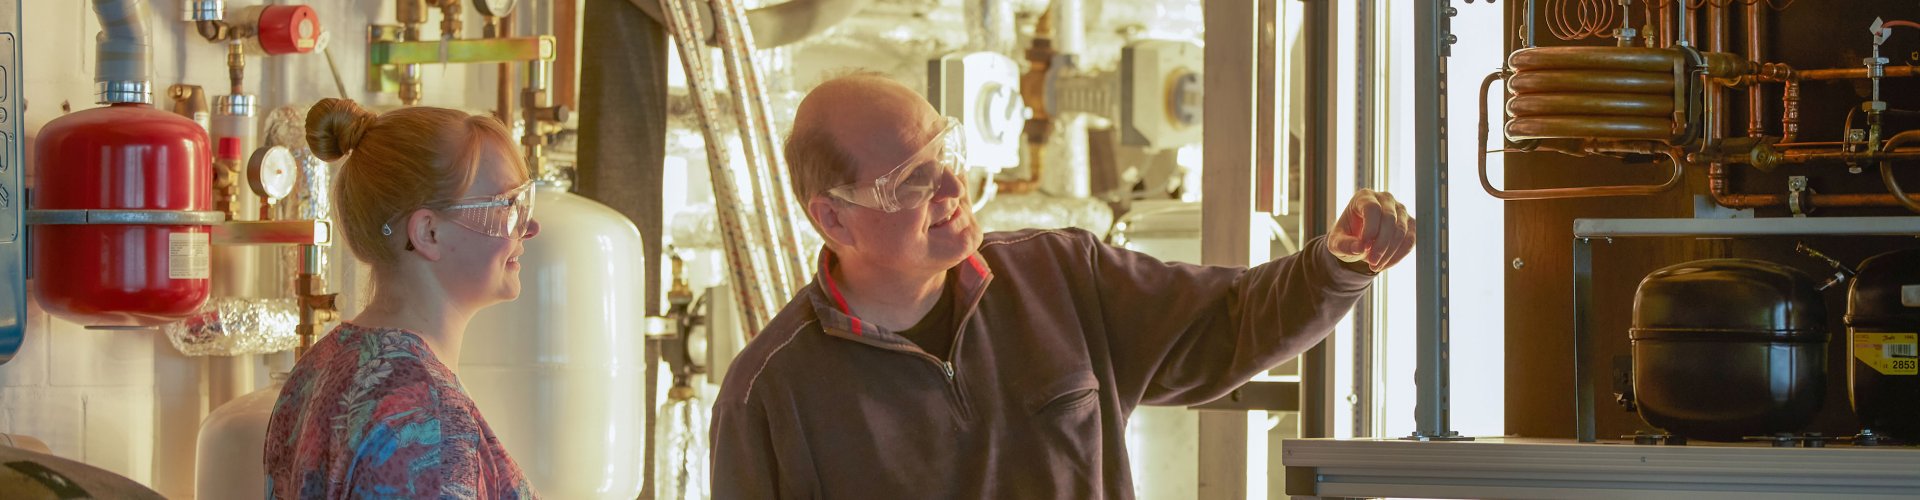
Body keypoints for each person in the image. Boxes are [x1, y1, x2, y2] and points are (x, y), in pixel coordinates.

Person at [710, 73, 1415, 498]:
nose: (954, 186)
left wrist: (1336, 264)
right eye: (913, 179)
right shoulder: (769, 396)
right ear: (835, 218)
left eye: (946, 153)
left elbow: (1230, 323)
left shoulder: (1060, 277)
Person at [265, 99, 542, 499]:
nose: (530, 226)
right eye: (507, 206)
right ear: (428, 232)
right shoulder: (429, 423)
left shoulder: (317, 368)